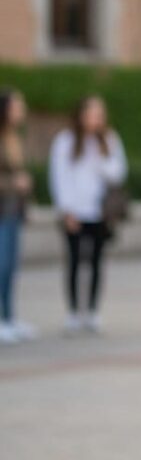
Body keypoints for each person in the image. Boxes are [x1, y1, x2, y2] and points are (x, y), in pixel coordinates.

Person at [49, 95, 128, 334]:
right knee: (73, 262)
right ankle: (73, 312)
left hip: (99, 212)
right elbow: (59, 177)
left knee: (96, 261)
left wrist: (101, 159)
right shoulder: (65, 141)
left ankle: (93, 311)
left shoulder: (109, 139)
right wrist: (66, 210)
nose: (96, 119)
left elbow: (118, 173)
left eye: (99, 114)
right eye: (91, 113)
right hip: (75, 211)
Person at [0, 88, 38, 344]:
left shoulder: (15, 138)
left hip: (13, 210)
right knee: (2, 265)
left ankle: (9, 317)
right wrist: (15, 182)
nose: (21, 111)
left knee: (11, 267)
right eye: (17, 106)